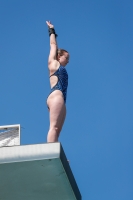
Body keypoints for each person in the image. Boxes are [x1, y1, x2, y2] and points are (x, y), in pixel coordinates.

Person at [46, 21, 70, 143]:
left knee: (57, 130)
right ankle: (49, 152)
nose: (68, 61)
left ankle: (54, 149)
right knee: (54, 127)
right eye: (67, 57)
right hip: (56, 95)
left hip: (62, 99)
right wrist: (52, 31)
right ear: (59, 56)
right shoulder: (54, 64)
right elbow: (53, 45)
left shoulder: (61, 66)